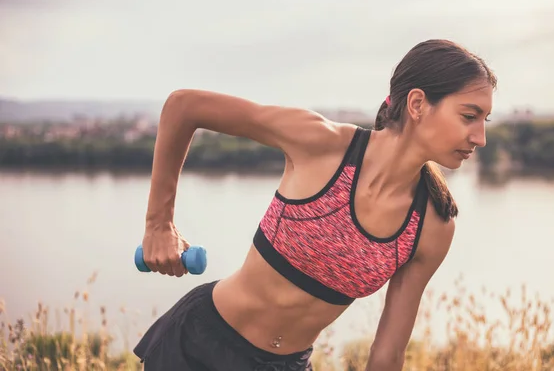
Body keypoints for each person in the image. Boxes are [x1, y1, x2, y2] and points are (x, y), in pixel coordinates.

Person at [133, 39, 496, 370]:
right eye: (469, 116)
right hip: (198, 347)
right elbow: (184, 106)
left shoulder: (432, 225)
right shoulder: (322, 143)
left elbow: (387, 353)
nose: (479, 137)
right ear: (418, 104)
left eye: (485, 120)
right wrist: (159, 225)